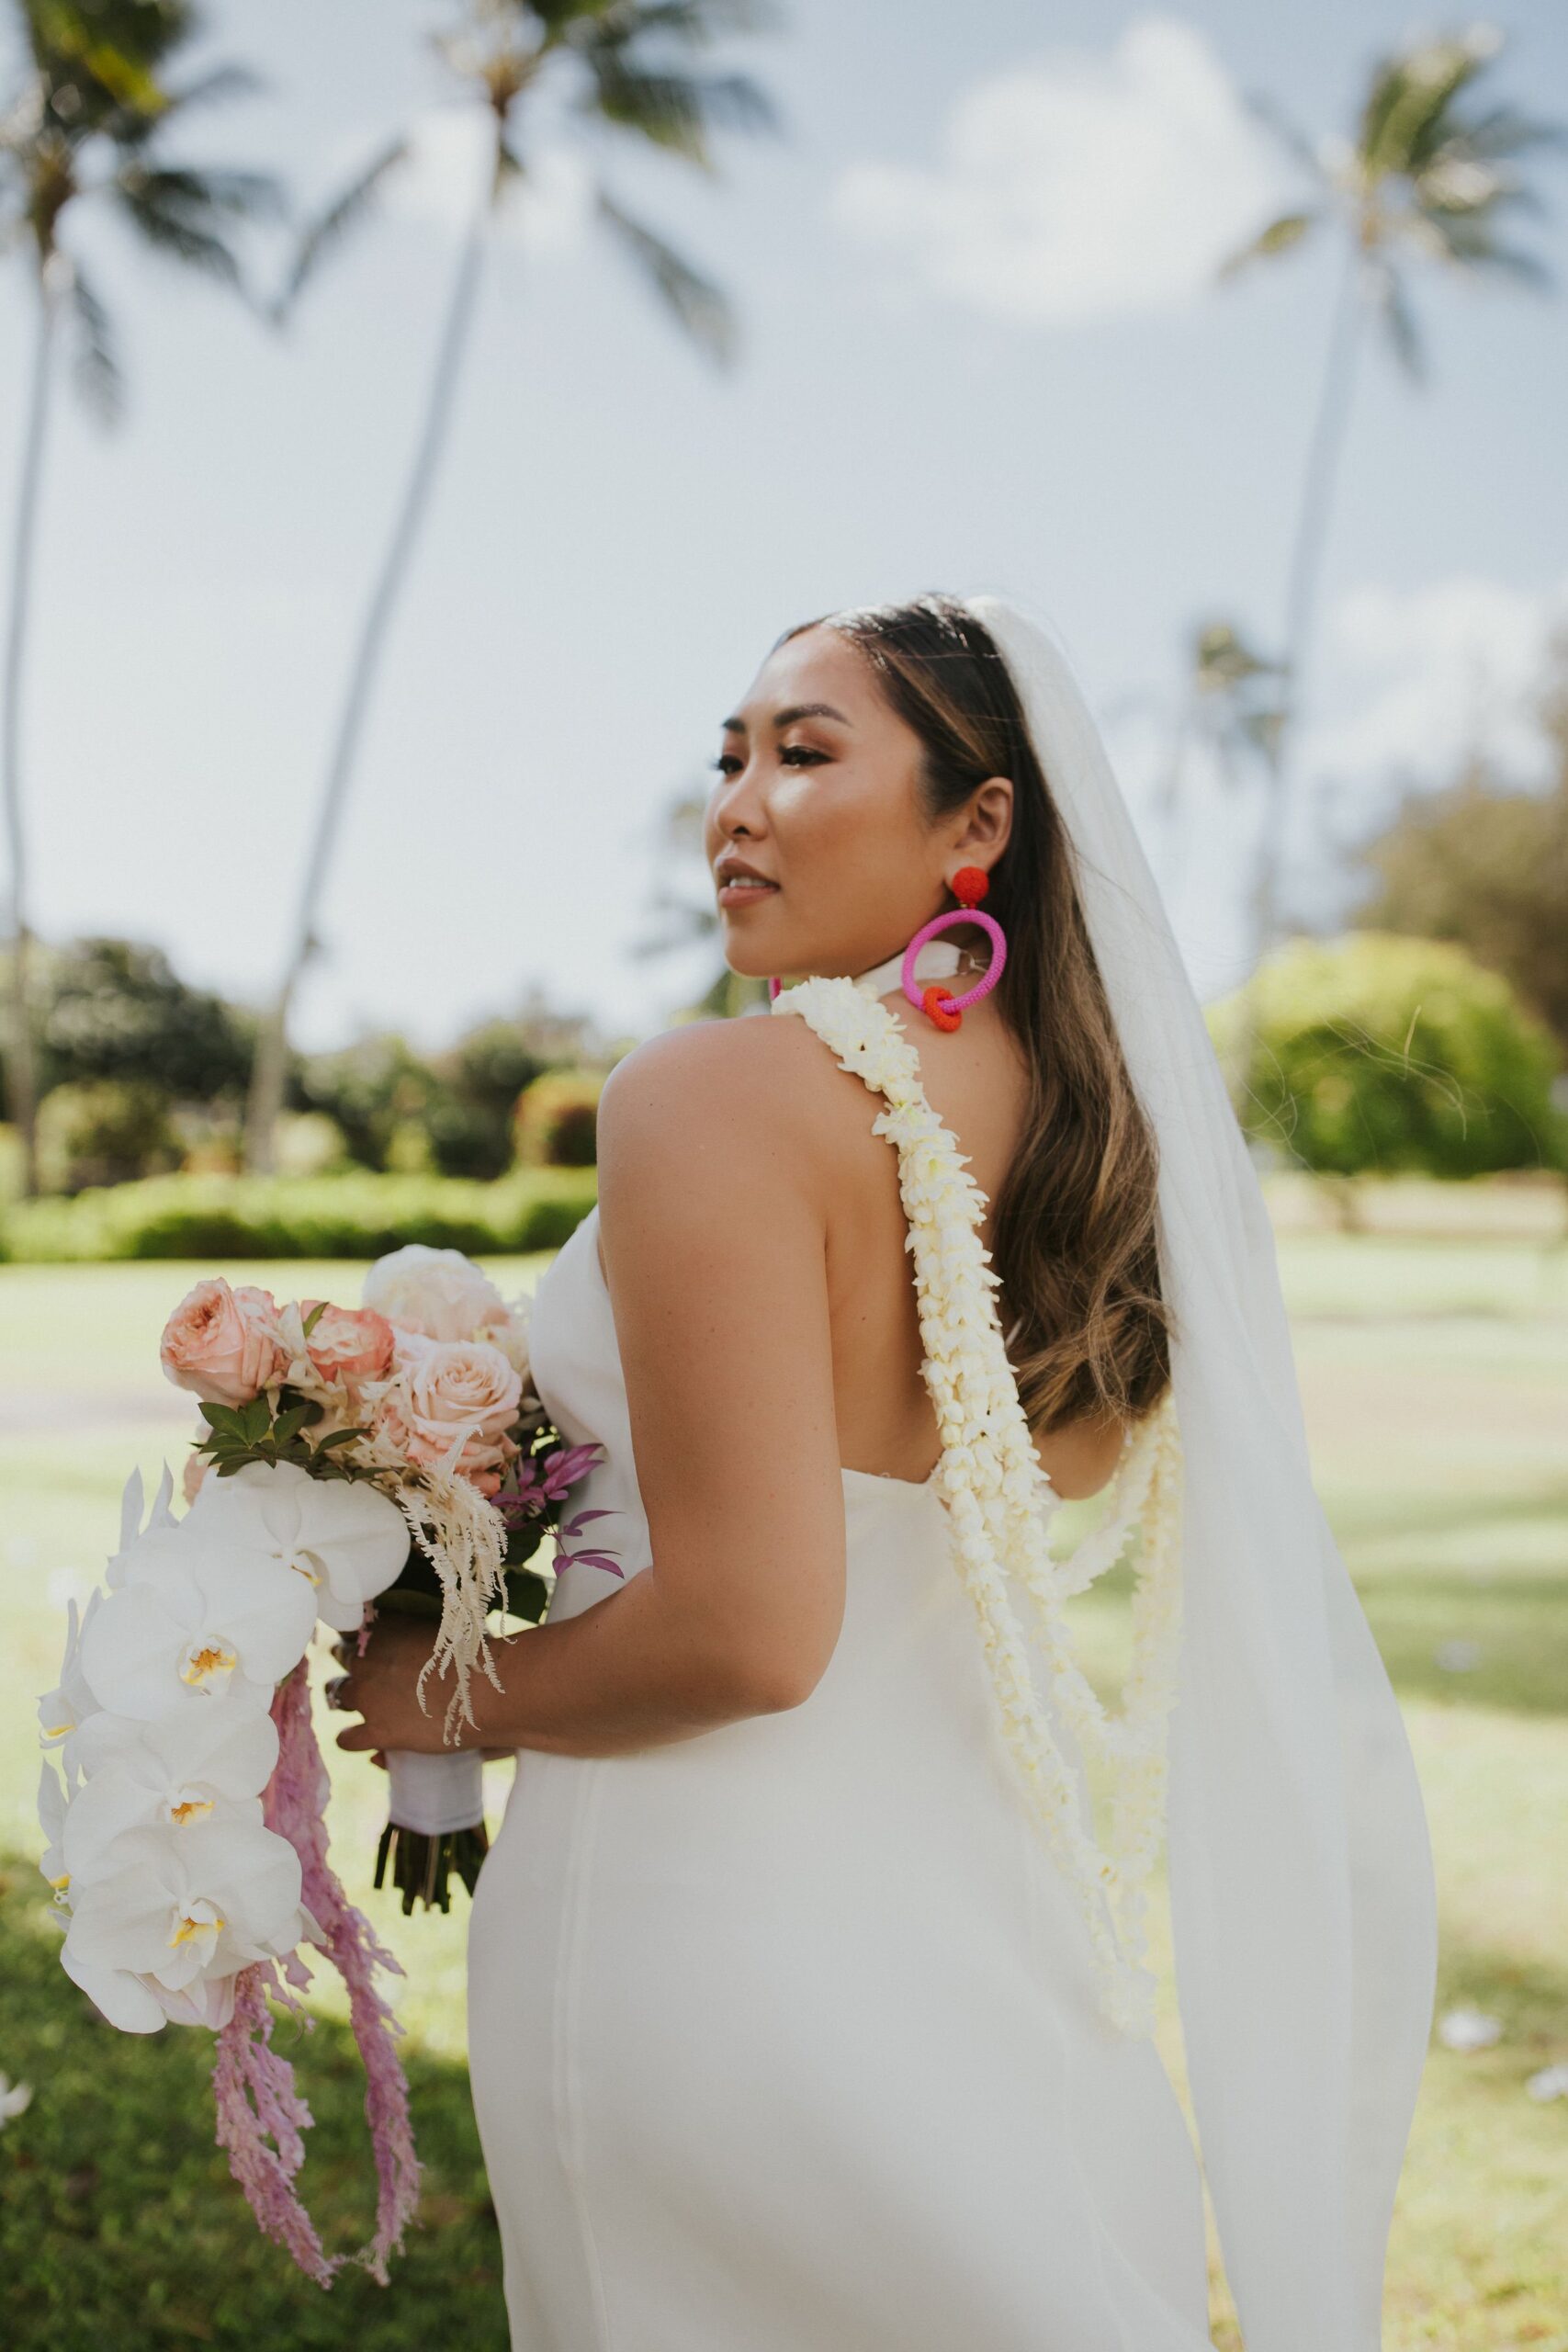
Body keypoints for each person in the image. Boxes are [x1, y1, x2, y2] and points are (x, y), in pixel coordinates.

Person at [336, 592, 1437, 2350]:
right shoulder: (1096, 1145)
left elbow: (753, 1634)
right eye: (729, 757)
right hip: (986, 1912)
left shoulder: (708, 1099)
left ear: (978, 823)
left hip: (703, 1911)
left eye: (807, 751)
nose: (738, 804)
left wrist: (443, 1684)